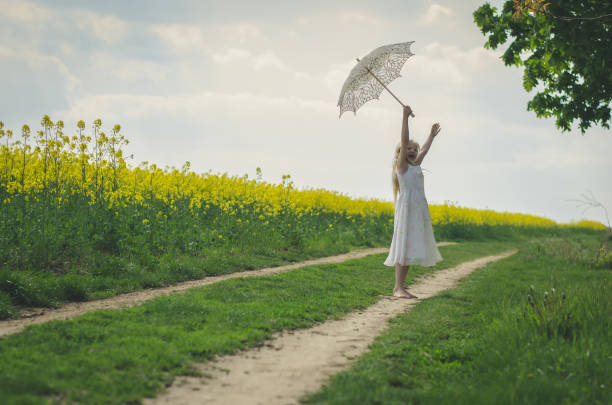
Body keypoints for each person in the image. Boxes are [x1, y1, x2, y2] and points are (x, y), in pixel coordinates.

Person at [384, 105, 442, 298]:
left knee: (408, 247)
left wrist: (431, 136)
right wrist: (405, 117)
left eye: (413, 149)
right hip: (407, 210)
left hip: (417, 211)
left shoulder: (416, 165)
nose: (412, 150)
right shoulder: (402, 167)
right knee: (402, 246)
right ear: (401, 153)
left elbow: (424, 149)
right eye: (407, 148)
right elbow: (404, 138)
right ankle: (398, 288)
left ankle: (400, 287)